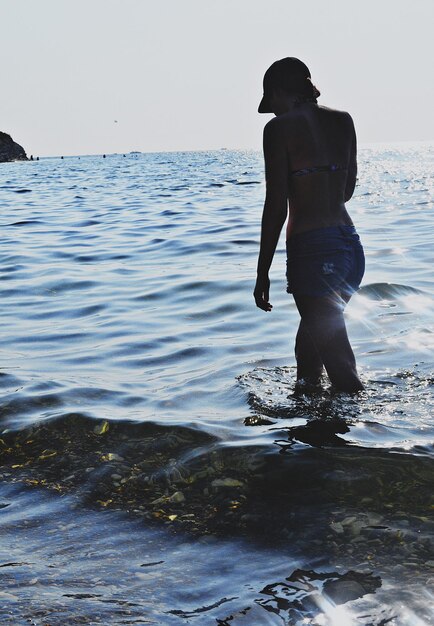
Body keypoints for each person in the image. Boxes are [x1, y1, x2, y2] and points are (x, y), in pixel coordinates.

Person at [253, 57, 365, 393]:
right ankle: (314, 429)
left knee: (340, 367)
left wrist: (262, 271)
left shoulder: (278, 130)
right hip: (349, 247)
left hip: (314, 252)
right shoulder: (344, 121)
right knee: (309, 350)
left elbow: (276, 206)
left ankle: (367, 441)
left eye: (270, 103)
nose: (271, 112)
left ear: (277, 92)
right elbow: (346, 191)